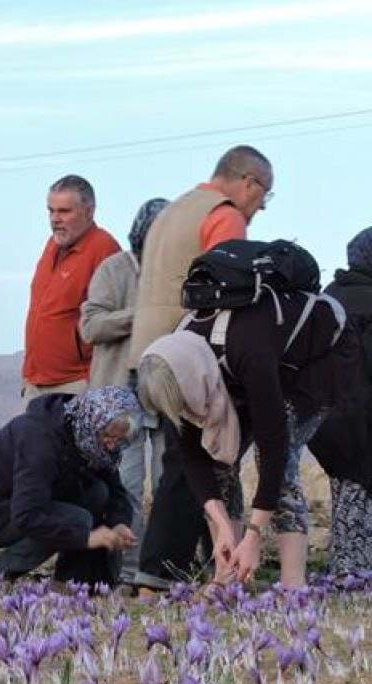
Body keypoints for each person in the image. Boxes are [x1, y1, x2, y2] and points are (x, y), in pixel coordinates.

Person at [137, 288, 357, 587]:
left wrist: (254, 535)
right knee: (219, 461)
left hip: (319, 362)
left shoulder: (247, 350)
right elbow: (194, 458)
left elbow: (274, 449)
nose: (185, 412)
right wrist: (223, 527)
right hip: (252, 370)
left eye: (183, 404)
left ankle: (293, 586)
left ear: (189, 384)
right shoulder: (180, 363)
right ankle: (228, 576)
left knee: (280, 465)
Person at [127, 145, 273, 588]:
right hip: (189, 355)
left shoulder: (173, 211)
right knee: (191, 462)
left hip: (147, 351)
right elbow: (229, 288)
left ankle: (182, 564)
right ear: (248, 182)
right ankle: (160, 571)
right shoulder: (223, 215)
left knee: (178, 460)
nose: (261, 207)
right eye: (264, 194)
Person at [0, 386, 139, 586]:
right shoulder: (39, 439)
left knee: (98, 493)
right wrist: (85, 537)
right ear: (93, 422)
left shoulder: (90, 441)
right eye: (108, 437)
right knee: (77, 520)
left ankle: (72, 582)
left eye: (119, 440)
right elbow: (27, 514)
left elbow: (115, 488)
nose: (111, 445)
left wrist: (119, 522)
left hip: (23, 501)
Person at [80, 197, 169, 581]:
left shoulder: (180, 271)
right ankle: (129, 571)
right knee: (126, 486)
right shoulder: (114, 269)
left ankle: (162, 570)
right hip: (121, 398)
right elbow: (91, 326)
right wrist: (143, 316)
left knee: (168, 485)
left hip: (166, 395)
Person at [21, 175, 120, 401]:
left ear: (89, 211)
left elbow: (113, 319)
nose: (55, 219)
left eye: (64, 211)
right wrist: (27, 379)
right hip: (37, 382)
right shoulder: (52, 245)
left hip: (76, 384)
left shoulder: (104, 249)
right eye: (51, 211)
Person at [309, 226, 372, 576]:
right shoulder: (368, 300)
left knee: (348, 493)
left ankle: (347, 570)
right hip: (360, 417)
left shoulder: (329, 297)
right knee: (362, 492)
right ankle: (355, 575)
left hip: (324, 419)